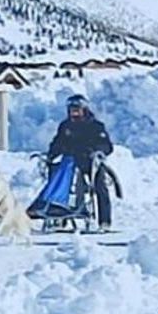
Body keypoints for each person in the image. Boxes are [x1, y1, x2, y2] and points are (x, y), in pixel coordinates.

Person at [46, 94, 114, 231]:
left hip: (89, 162)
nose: (74, 113)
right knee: (55, 178)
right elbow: (57, 143)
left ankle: (104, 221)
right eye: (72, 110)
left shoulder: (95, 126)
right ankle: (58, 214)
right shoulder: (65, 126)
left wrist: (96, 152)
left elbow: (106, 146)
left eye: (77, 109)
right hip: (69, 162)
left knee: (100, 185)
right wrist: (51, 155)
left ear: (84, 109)